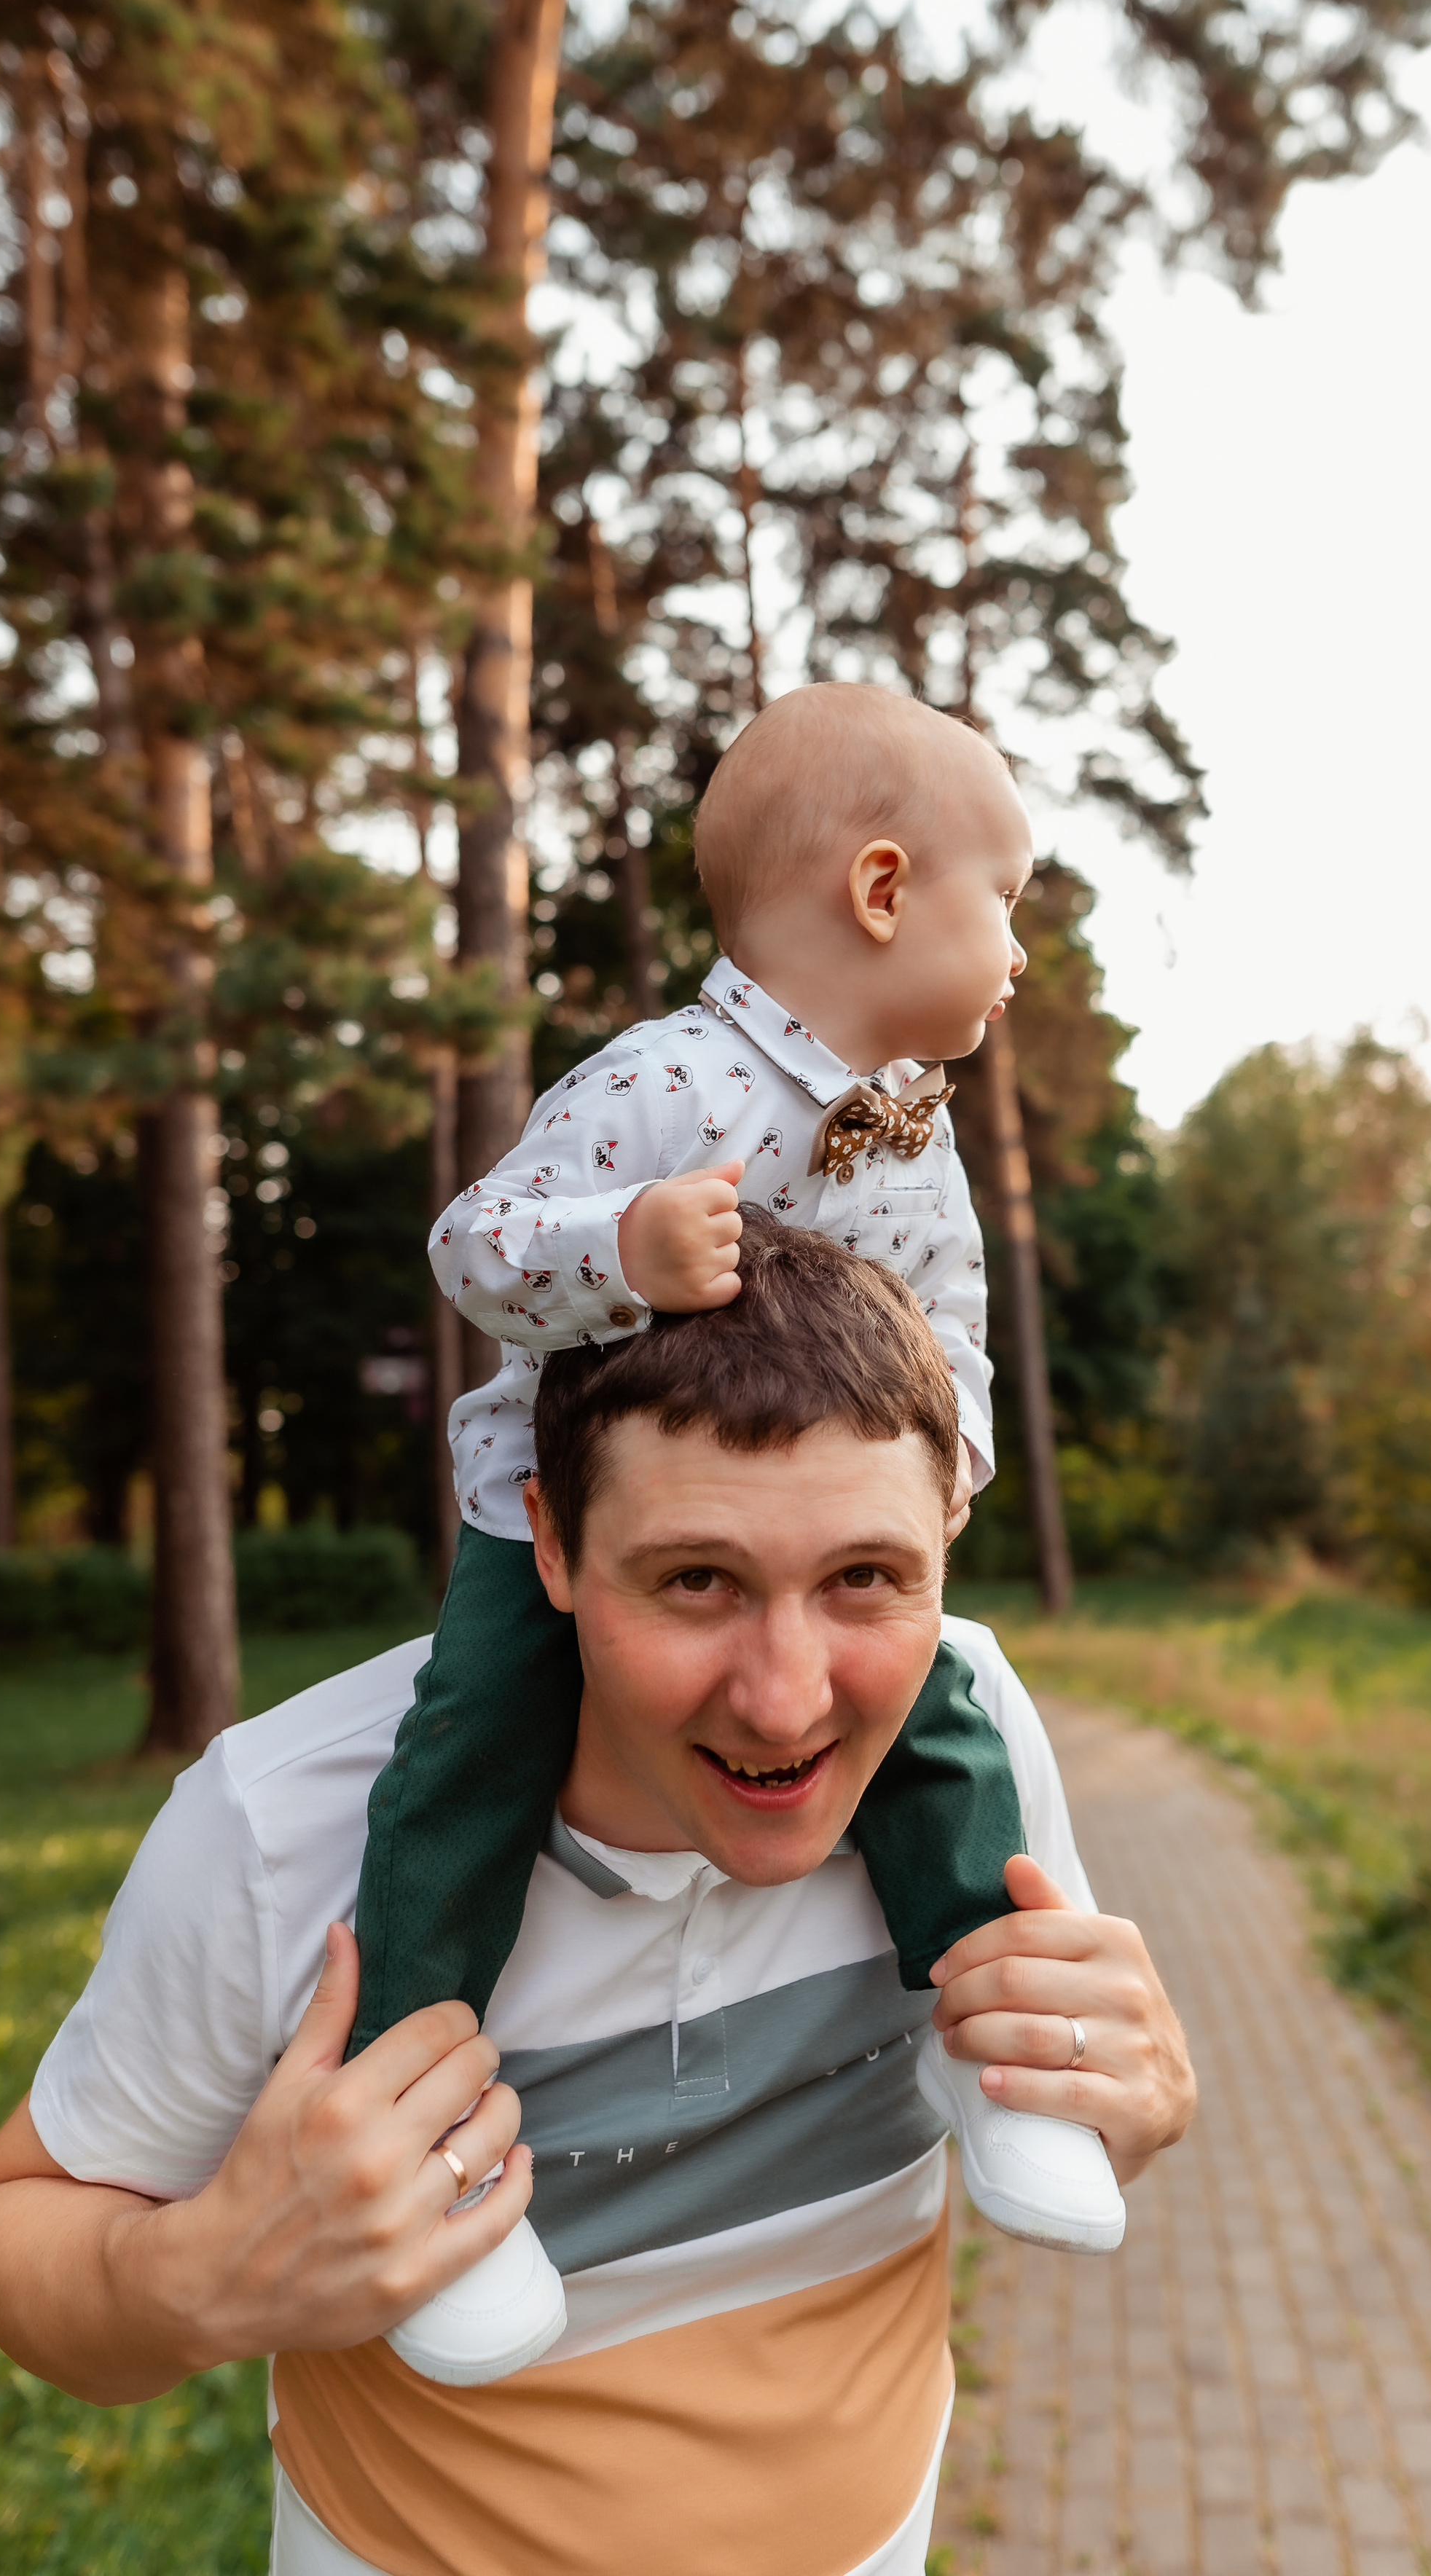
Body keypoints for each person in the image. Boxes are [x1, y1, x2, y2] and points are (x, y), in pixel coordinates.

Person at [0, 1219, 1196, 2576]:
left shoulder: (974, 1743)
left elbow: (1053, 2097)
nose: (787, 1701)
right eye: (696, 1580)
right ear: (546, 1539)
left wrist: (1119, 2094)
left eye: (866, 1580)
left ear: (949, 1527)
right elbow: (16, 2222)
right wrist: (200, 2279)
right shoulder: (282, 1827)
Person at [350, 683, 1116, 2381]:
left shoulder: (912, 1136)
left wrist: (945, 1467)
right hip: (565, 1522)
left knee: (937, 1734)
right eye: (1009, 902)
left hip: (809, 1555)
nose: (1019, 951)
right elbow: (475, 1250)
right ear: (883, 890)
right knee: (464, 1773)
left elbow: (954, 1342)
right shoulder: (659, 1087)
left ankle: (1007, 2073)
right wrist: (620, 1243)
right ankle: (422, 2163)